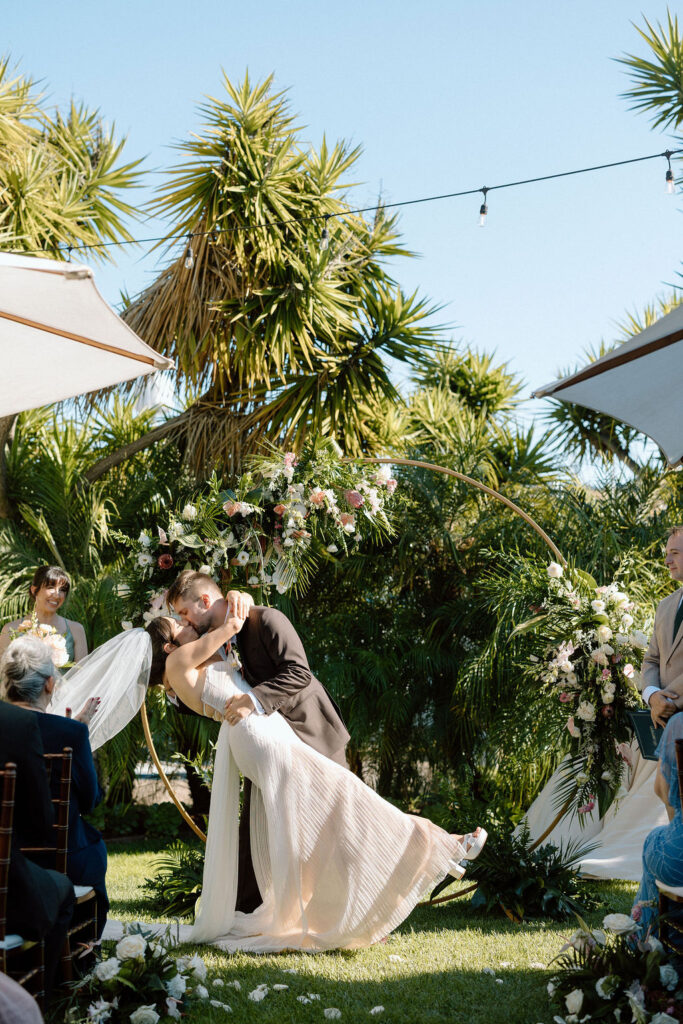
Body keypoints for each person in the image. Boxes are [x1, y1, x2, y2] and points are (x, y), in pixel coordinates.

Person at [144, 611, 487, 952]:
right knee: (346, 797)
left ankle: (428, 851)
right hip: (260, 737)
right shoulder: (179, 664)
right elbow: (233, 624)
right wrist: (237, 599)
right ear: (170, 646)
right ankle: (442, 845)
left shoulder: (184, 672)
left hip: (258, 735)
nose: (190, 626)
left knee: (323, 814)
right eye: (181, 625)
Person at [166, 571, 350, 912]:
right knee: (256, 826)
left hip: (312, 730)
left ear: (204, 601)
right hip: (269, 742)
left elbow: (299, 673)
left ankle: (358, 909)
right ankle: (246, 913)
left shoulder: (266, 619)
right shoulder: (222, 637)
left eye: (184, 612)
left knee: (341, 819)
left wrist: (254, 700)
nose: (183, 621)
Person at [1, 638, 108, 939]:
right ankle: (79, 948)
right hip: (58, 859)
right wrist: (79, 736)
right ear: (50, 684)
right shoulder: (71, 732)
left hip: (10, 852)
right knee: (92, 845)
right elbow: (90, 800)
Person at [0, 699, 74, 1000]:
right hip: (7, 898)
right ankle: (37, 1000)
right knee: (62, 888)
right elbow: (41, 825)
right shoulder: (14, 723)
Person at [631, 711, 683, 934]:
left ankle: (653, 946)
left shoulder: (679, 724)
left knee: (654, 842)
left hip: (679, 859)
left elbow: (662, 790)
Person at [0, 566, 88, 663]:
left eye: (62, 590)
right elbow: (4, 674)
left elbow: (82, 673)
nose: (57, 595)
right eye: (50, 587)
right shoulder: (10, 629)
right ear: (34, 590)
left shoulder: (76, 630)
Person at [641, 525, 683, 728]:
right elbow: (651, 660)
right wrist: (652, 695)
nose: (667, 561)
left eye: (674, 553)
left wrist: (666, 702)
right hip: (660, 722)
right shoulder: (664, 606)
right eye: (667, 554)